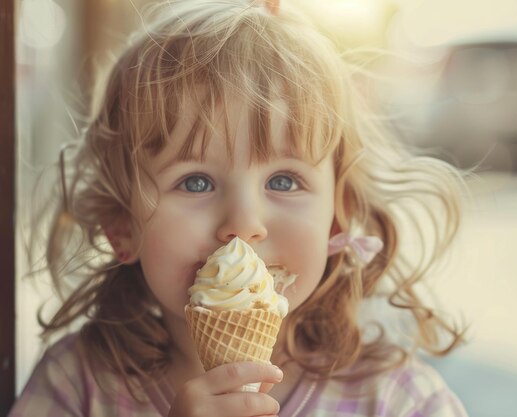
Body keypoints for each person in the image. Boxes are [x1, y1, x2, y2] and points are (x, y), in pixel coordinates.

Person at [10, 0, 469, 416]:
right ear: (121, 226)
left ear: (338, 215)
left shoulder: (395, 399)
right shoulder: (79, 384)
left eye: (284, 181)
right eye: (195, 181)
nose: (244, 224)